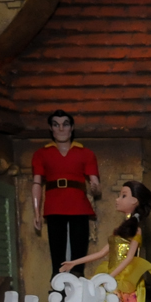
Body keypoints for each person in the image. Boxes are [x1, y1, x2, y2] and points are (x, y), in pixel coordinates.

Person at [60, 181, 151, 302]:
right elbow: (101, 253)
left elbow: (129, 258)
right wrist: (74, 262)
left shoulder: (136, 230)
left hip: (124, 280)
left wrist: (110, 277)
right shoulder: (119, 230)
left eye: (123, 196)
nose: (117, 199)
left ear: (135, 201)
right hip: (111, 276)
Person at [32, 110, 101, 277]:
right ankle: (58, 282)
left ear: (72, 127)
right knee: (57, 249)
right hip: (54, 205)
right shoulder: (42, 154)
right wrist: (36, 212)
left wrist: (96, 188)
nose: (61, 129)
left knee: (79, 248)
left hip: (78, 204)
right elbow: (36, 183)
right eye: (56, 125)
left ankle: (78, 277)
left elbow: (95, 182)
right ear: (51, 128)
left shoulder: (85, 153)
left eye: (65, 124)